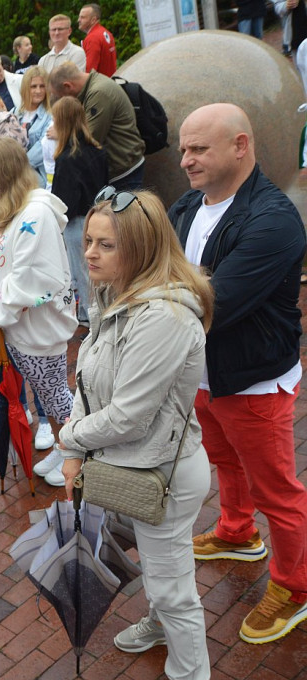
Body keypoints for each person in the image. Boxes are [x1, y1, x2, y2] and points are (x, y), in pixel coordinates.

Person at [57, 189, 213, 679]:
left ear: (141, 250)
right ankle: (160, 623)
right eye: (89, 241)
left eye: (105, 245)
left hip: (160, 473)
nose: (89, 253)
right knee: (157, 561)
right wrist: (78, 450)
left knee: (174, 588)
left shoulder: (163, 317)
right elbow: (86, 379)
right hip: (129, 463)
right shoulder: (114, 294)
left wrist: (69, 438)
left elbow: (128, 416)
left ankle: (190, 670)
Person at [169, 103, 307, 644]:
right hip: (205, 374)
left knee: (278, 489)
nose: (186, 160)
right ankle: (235, 530)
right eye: (184, 148)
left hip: (252, 381)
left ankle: (295, 588)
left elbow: (213, 305)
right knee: (225, 458)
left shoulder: (273, 220)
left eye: (199, 148)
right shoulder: (186, 207)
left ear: (240, 146)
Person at [0, 138, 77, 485]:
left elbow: (34, 275)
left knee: (54, 394)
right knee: (44, 389)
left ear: (3, 172)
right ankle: (65, 445)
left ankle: (76, 450)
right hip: (13, 325)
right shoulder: (2, 209)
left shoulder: (36, 213)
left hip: (38, 328)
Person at [48, 96, 108, 327]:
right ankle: (89, 314)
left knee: (82, 274)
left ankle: (92, 319)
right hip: (97, 217)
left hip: (76, 223)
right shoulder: (97, 149)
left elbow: (65, 200)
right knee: (94, 272)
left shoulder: (67, 157)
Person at [48, 62, 145, 189]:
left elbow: (90, 138)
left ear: (68, 86)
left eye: (60, 97)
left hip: (123, 170)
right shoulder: (94, 85)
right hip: (121, 166)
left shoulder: (98, 93)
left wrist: (62, 131)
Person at [14, 66, 53, 183]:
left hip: (39, 177)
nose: (38, 91)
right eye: (33, 86)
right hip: (15, 175)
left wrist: (16, 166)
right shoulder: (15, 112)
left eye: (42, 86)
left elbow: (42, 148)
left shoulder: (51, 116)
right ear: (26, 88)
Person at [78, 3, 117, 76]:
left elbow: (89, 71)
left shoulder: (92, 38)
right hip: (110, 81)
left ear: (93, 20)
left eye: (82, 17)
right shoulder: (106, 32)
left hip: (99, 84)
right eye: (79, 17)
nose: (78, 20)